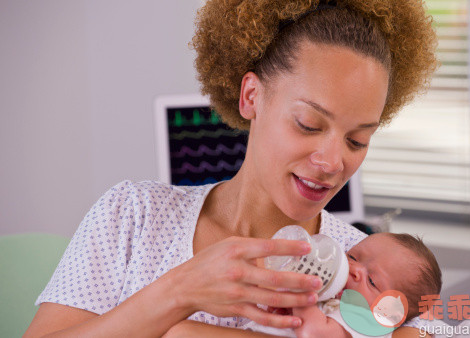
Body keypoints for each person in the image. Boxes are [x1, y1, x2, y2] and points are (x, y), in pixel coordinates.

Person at [24, 0, 438, 337]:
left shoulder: (379, 275)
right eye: (308, 124)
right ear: (251, 96)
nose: (333, 163)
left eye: (357, 140)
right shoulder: (133, 215)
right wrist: (179, 291)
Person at [244, 233, 442, 337]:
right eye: (352, 256)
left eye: (372, 281)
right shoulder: (333, 302)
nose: (354, 269)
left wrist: (302, 295)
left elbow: (313, 333)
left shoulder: (364, 321)